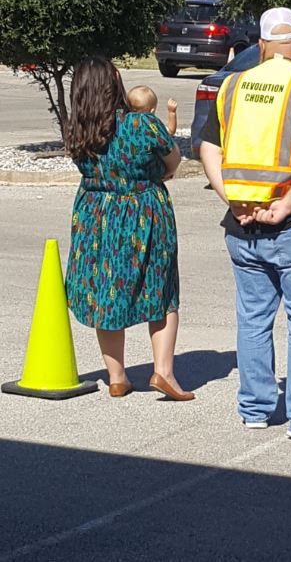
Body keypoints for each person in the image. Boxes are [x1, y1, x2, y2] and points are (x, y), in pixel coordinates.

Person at [200, 7, 291, 441]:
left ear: (261, 45)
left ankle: (255, 408)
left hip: (241, 223)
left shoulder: (232, 86)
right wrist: (285, 206)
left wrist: (233, 199)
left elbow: (208, 148)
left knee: (252, 318)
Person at [65, 58, 194, 401]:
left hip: (95, 213)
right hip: (143, 209)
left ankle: (117, 377)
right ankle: (163, 372)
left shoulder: (78, 130)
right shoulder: (142, 124)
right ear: (115, 81)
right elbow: (173, 161)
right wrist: (154, 174)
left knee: (105, 289)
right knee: (160, 287)